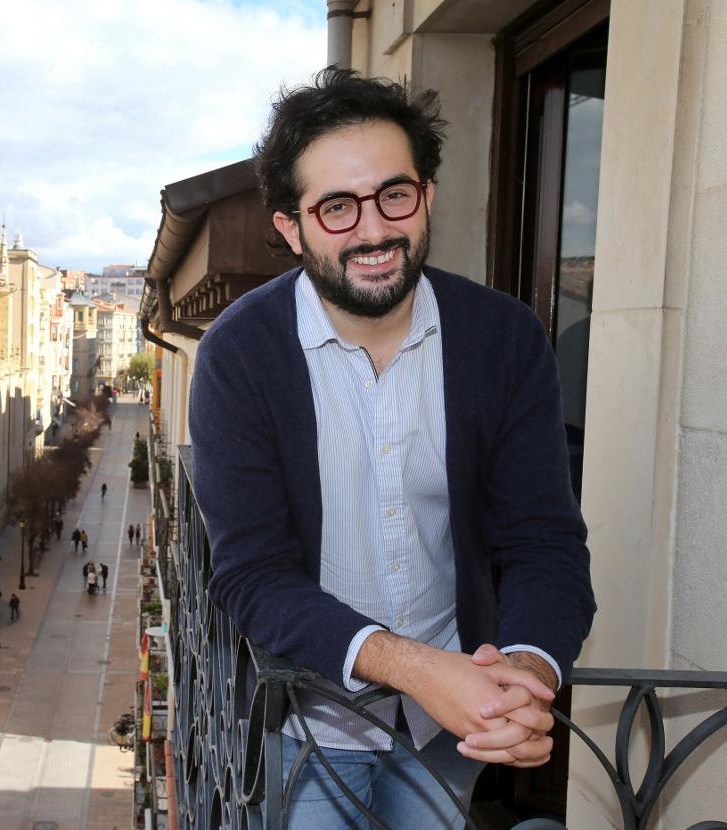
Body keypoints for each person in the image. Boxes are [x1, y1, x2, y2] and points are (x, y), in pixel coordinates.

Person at [188, 68, 595, 829]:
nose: (373, 230)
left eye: (394, 195)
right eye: (336, 207)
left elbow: (544, 542)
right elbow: (251, 575)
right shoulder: (238, 355)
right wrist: (415, 668)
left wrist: (524, 676)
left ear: (428, 194)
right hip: (311, 721)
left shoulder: (505, 339)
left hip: (454, 723)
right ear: (290, 226)